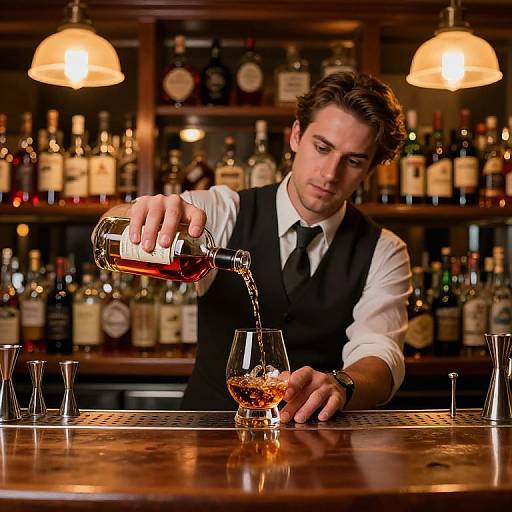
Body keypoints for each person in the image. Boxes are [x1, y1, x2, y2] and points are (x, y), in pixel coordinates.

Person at [94, 72, 411, 423]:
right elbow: (106, 230)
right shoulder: (221, 211)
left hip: (316, 447)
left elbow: (381, 356)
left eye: (353, 160)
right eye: (322, 148)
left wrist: (342, 384)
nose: (330, 173)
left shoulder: (384, 250)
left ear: (370, 169)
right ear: (295, 136)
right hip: (207, 437)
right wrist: (139, 214)